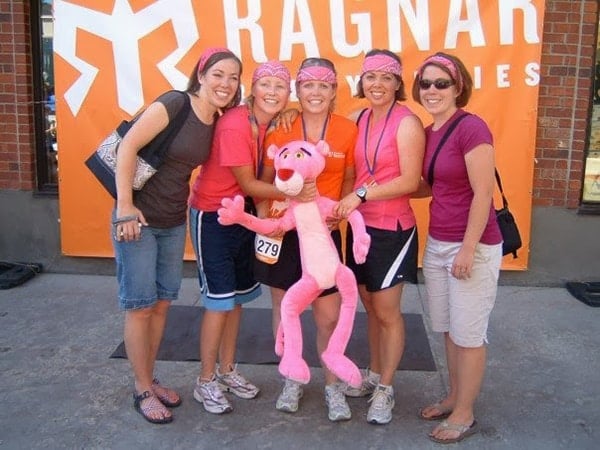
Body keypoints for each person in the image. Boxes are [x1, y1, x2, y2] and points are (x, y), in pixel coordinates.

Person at [112, 47, 242, 424]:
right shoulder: (175, 103)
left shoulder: (217, 118)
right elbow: (128, 145)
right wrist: (124, 207)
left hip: (171, 221)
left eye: (233, 77)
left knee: (163, 304)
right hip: (136, 218)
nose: (225, 83)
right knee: (140, 307)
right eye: (218, 74)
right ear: (201, 75)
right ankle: (141, 388)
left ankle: (150, 378)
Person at [254, 57, 358, 421]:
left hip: (324, 237)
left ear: (334, 91)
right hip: (286, 233)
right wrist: (269, 221)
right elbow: (265, 182)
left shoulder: (347, 129)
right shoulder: (282, 126)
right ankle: (291, 379)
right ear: (298, 90)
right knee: (284, 312)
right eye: (308, 85)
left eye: (323, 85)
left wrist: (337, 216)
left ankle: (332, 385)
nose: (316, 92)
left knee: (328, 317)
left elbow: (347, 182)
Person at [188, 61, 293, 415]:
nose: (273, 92)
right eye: (267, 85)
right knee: (218, 302)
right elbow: (249, 184)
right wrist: (297, 193)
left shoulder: (271, 122)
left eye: (281, 86)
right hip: (213, 215)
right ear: (253, 88)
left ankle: (228, 370)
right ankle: (205, 381)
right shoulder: (235, 123)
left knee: (235, 301)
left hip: (243, 217)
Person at [411, 52, 503, 444]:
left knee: (469, 334)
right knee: (448, 329)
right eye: (426, 84)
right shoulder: (430, 133)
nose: (432, 91)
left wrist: (468, 249)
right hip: (438, 243)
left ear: (458, 87)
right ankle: (453, 395)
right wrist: (376, 191)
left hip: (473, 245)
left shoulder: (472, 128)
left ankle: (465, 412)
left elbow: (483, 194)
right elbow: (432, 185)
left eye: (441, 83)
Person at [335, 49, 425, 425]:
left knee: (387, 312)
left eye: (386, 77)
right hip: (359, 228)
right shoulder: (358, 118)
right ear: (362, 81)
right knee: (369, 305)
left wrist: (361, 194)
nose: (377, 84)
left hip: (392, 229)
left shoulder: (408, 123)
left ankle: (386, 388)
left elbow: (409, 181)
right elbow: (347, 168)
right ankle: (373, 374)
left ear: (397, 83)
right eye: (371, 76)